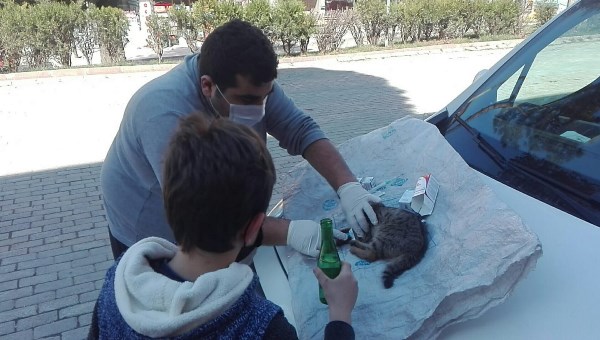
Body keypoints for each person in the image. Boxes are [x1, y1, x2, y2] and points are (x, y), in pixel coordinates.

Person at [100, 19, 381, 261]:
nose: (260, 109)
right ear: (207, 86)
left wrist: (348, 188)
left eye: (266, 97)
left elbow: (301, 129)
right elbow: (205, 215)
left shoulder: (253, 86)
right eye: (247, 100)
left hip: (225, 226)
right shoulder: (163, 113)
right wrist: (290, 232)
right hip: (148, 223)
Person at [88, 113, 358, 339]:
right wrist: (340, 315)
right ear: (255, 229)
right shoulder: (261, 325)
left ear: (169, 203)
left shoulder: (117, 285)